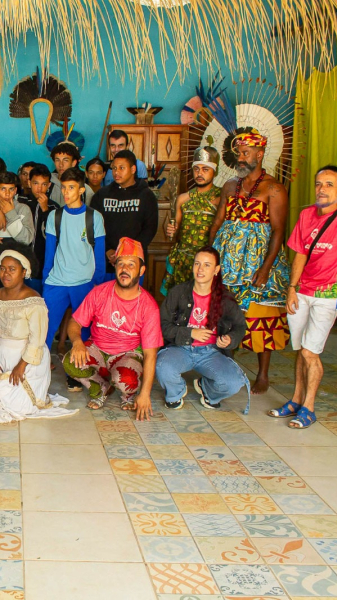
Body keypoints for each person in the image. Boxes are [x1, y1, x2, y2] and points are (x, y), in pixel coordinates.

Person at [270, 165, 337, 429]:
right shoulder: (306, 215)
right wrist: (291, 288)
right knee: (300, 350)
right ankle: (295, 400)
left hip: (328, 293)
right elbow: (300, 254)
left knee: (309, 351)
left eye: (329, 184)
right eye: (318, 184)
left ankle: (309, 407)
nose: (321, 189)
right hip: (302, 290)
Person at [210, 131, 290, 394]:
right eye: (238, 154)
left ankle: (263, 375)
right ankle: (225, 367)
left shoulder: (274, 188)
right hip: (228, 262)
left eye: (246, 153)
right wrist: (210, 256)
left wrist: (266, 268)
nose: (241, 158)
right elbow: (218, 221)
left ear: (260, 154)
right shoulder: (230, 185)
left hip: (257, 265)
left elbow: (278, 230)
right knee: (226, 315)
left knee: (260, 317)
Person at [0, 249, 77, 423]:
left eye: (12, 269)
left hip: (27, 360)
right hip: (0, 357)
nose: (6, 273)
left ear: (24, 272)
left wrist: (21, 366)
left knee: (16, 406)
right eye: (3, 268)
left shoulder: (33, 301)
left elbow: (37, 339)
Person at [64, 237, 163, 418]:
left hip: (128, 353)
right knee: (70, 362)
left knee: (125, 380)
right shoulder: (99, 292)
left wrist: (145, 394)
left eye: (131, 265)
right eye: (120, 264)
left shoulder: (149, 306)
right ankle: (101, 387)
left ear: (141, 271)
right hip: (98, 348)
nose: (124, 269)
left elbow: (150, 354)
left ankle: (129, 395)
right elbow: (75, 322)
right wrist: (77, 342)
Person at [157, 246, 250, 412]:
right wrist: (190, 333)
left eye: (207, 265)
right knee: (163, 367)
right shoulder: (178, 292)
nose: (200, 269)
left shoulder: (225, 298)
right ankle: (175, 393)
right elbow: (162, 325)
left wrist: (230, 339)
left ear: (216, 270)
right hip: (180, 348)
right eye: (197, 264)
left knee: (233, 382)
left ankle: (207, 390)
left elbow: (240, 326)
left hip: (211, 351)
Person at [42, 167, 106, 358]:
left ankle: (83, 369)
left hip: (84, 282)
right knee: (44, 327)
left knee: (84, 331)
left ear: (81, 189)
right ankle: (40, 368)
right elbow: (50, 253)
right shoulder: (55, 216)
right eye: (63, 187)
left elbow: (99, 255)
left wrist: (98, 284)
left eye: (71, 187)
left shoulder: (94, 217)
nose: (66, 192)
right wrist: (46, 281)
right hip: (57, 282)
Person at [90, 150, 159, 280]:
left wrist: (126, 254)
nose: (116, 172)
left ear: (133, 169)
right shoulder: (101, 195)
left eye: (122, 168)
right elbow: (93, 226)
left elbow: (149, 229)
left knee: (129, 299)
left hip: (133, 263)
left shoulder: (146, 195)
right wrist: (107, 250)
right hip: (106, 262)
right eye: (114, 168)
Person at [161, 147, 222, 295]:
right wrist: (170, 229)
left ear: (215, 171)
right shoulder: (183, 198)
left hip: (207, 262)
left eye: (205, 169)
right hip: (183, 260)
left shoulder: (221, 198)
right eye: (196, 169)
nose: (199, 173)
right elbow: (173, 232)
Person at [0, 171, 34, 287]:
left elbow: (26, 240)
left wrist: (10, 213)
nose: (7, 194)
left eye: (11, 189)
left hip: (16, 276)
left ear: (16, 191)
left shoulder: (23, 209)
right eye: (3, 189)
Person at [20, 164, 55, 292]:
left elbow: (53, 235)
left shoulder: (54, 208)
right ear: (29, 183)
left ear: (49, 185)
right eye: (35, 183)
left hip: (43, 262)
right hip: (21, 260)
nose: (39, 188)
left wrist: (45, 209)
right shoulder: (20, 202)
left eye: (44, 184)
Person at [48, 142, 94, 206]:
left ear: (73, 163)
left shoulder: (85, 190)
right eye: (57, 160)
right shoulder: (47, 184)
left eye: (65, 160)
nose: (61, 164)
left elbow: (89, 213)